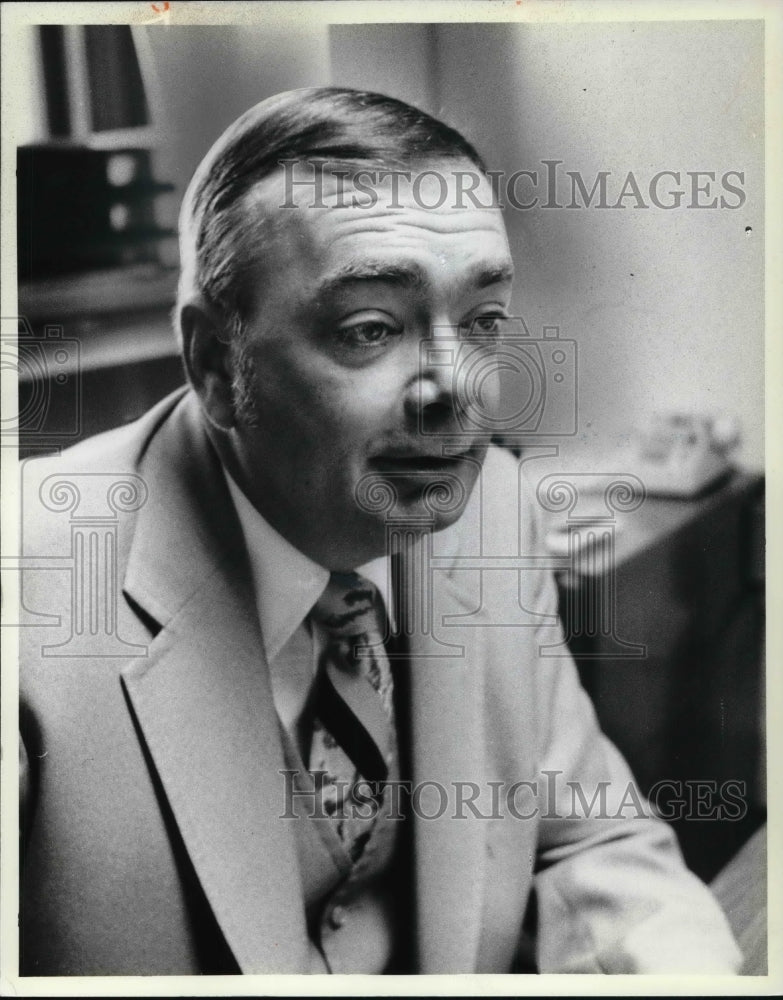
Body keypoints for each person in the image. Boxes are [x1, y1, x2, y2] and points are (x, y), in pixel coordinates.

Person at [19, 87, 742, 976]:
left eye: (482, 322)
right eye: (369, 329)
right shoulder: (27, 590)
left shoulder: (491, 509)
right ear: (216, 364)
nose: (456, 389)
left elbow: (581, 838)